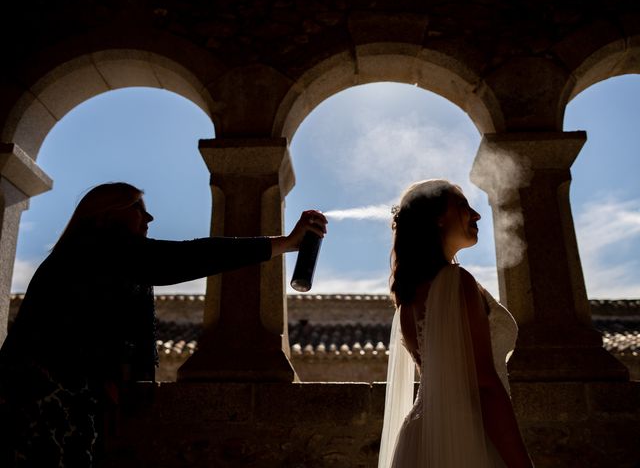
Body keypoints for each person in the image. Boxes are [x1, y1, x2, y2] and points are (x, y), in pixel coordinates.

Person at [0, 181, 327, 468]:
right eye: (138, 208)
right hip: (43, 402)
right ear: (106, 215)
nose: (149, 218)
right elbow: (184, 257)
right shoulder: (96, 248)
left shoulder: (95, 257)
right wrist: (282, 244)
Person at [378, 179, 533, 468]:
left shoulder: (408, 301)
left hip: (420, 439)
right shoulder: (456, 282)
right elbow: (484, 385)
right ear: (438, 218)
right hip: (467, 438)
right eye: (463, 206)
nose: (476, 215)